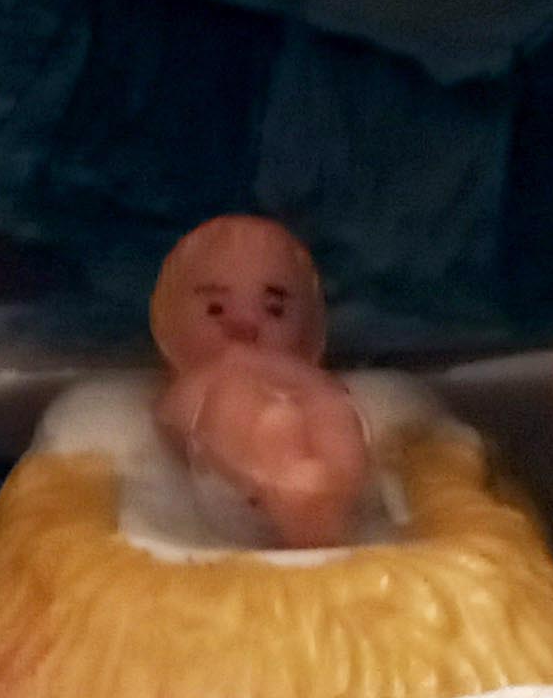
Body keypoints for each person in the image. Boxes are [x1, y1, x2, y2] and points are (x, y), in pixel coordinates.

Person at [147, 215, 379, 551]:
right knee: (236, 399)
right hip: (238, 492)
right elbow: (173, 417)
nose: (245, 323)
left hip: (305, 449)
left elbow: (334, 393)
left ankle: (333, 489)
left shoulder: (301, 377)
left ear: (309, 331)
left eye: (274, 310)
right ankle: (288, 483)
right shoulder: (199, 384)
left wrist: (307, 388)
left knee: (330, 407)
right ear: (170, 328)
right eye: (216, 308)